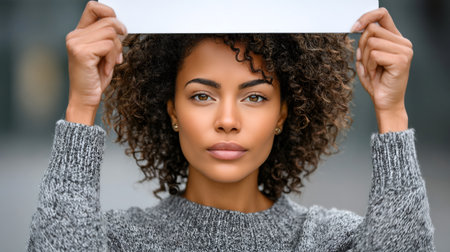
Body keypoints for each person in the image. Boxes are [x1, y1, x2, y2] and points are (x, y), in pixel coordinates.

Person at [27, 1, 435, 251]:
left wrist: (392, 112)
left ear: (283, 115)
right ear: (171, 110)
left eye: (255, 96)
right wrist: (82, 105)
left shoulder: (330, 241)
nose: (226, 121)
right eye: (201, 95)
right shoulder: (117, 241)